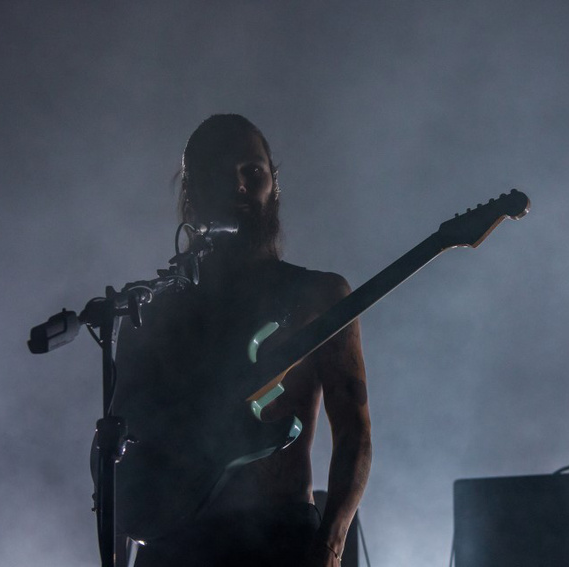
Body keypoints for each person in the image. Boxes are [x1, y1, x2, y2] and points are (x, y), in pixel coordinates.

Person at [110, 114, 372, 566]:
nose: (240, 187)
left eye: (253, 172)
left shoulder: (317, 295)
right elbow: (119, 447)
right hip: (175, 542)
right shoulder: (153, 307)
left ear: (274, 185)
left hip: (280, 537)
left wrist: (331, 544)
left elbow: (354, 433)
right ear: (192, 193)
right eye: (219, 172)